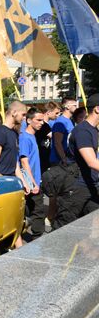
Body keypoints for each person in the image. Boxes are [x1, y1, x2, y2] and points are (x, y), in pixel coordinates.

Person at [53, 94, 99, 227]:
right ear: (97, 109)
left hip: (90, 184)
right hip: (77, 187)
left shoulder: (93, 130)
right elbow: (92, 162)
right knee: (63, 228)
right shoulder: (83, 131)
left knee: (90, 228)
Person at [0, 100, 28, 246]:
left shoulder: (13, 133)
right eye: (23, 114)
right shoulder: (0, 133)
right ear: (14, 112)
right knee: (7, 220)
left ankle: (18, 247)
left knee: (15, 219)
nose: (24, 118)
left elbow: (15, 162)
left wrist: (23, 181)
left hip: (13, 182)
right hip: (3, 183)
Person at [20, 108, 47, 240]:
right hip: (31, 182)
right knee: (38, 211)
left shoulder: (32, 136)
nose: (41, 123)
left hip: (35, 180)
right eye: (38, 120)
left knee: (32, 210)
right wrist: (33, 182)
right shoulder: (25, 138)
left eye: (42, 120)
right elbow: (24, 162)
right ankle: (38, 238)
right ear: (29, 120)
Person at [50, 97, 78, 166]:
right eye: (74, 105)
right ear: (67, 107)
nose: (76, 107)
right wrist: (64, 159)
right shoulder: (60, 121)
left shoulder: (69, 120)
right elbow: (57, 142)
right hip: (59, 162)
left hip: (67, 160)